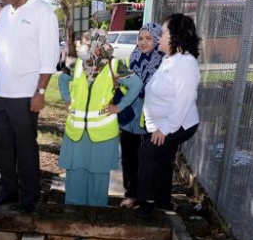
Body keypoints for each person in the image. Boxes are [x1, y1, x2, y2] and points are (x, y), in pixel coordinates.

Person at [0, 0, 60, 214]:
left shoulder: (42, 12)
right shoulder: (5, 14)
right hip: (2, 95)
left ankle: (29, 197)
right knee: (3, 146)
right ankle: (8, 190)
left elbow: (50, 57)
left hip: (25, 95)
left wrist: (40, 93)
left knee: (25, 148)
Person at [58, 29, 142, 206]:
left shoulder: (115, 65)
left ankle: (95, 219)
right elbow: (62, 80)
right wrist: (67, 99)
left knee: (98, 177)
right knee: (75, 174)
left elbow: (136, 84)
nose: (83, 46)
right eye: (84, 42)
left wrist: (119, 107)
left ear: (98, 45)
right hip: (76, 132)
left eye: (87, 43)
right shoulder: (76, 64)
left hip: (103, 133)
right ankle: (75, 219)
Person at [135, 13, 201, 217]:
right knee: (163, 158)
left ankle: (146, 203)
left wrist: (165, 129)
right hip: (163, 123)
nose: (159, 37)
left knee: (147, 152)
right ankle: (163, 202)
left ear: (175, 36)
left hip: (178, 124)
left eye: (163, 33)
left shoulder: (185, 64)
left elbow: (184, 100)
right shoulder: (170, 59)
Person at [119, 23, 164, 208]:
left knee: (144, 157)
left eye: (148, 38)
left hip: (151, 113)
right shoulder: (134, 55)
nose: (143, 42)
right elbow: (129, 83)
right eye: (140, 38)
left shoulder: (163, 60)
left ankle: (144, 195)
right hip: (131, 112)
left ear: (157, 38)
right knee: (128, 155)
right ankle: (130, 192)